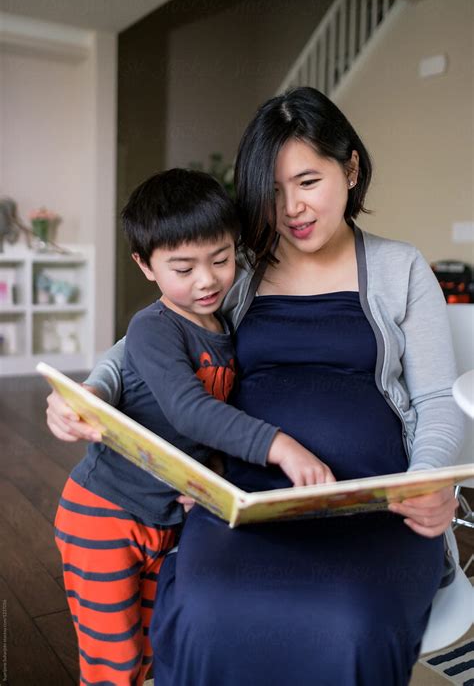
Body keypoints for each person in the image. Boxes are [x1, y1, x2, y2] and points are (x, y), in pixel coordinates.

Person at [47, 88, 462, 685]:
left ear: (350, 168)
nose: (290, 208)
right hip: (247, 498)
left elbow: (435, 401)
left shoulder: (401, 269)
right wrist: (86, 394)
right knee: (207, 611)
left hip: (376, 506)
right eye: (271, 190)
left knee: (349, 620)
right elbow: (149, 337)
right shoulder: (237, 265)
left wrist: (427, 481)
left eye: (307, 181)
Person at [54, 167, 335, 686]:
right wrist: (279, 446)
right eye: (183, 268)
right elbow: (190, 413)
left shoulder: (223, 326)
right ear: (146, 266)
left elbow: (198, 436)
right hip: (104, 514)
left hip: (165, 520)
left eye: (221, 260)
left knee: (152, 643)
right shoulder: (153, 329)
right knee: (111, 660)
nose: (206, 280)